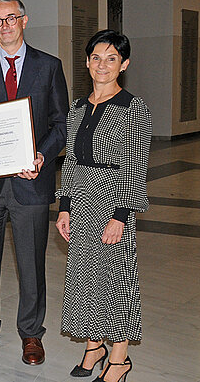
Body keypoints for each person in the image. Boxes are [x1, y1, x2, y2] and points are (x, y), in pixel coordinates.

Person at [0, 0, 68, 365]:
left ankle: (31, 334)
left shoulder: (49, 67)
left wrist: (41, 155)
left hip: (30, 183)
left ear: (24, 21)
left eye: (10, 18)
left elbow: (61, 124)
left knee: (31, 264)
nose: (4, 25)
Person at [55, 29, 149, 382]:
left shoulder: (133, 108)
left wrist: (121, 215)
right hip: (80, 199)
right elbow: (71, 161)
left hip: (113, 200)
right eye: (96, 57)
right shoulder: (78, 107)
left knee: (116, 278)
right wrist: (64, 206)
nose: (103, 65)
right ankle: (95, 346)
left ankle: (120, 357)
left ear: (124, 64)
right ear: (87, 63)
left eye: (112, 58)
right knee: (86, 277)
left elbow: (136, 164)